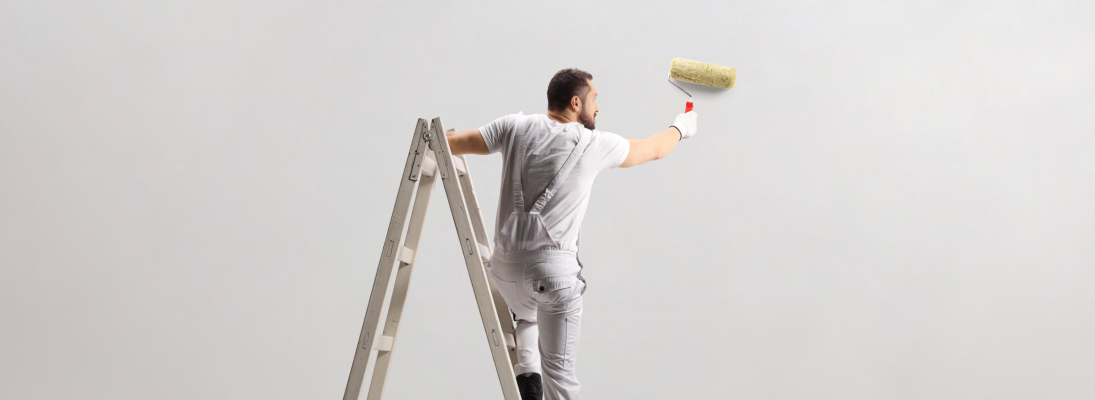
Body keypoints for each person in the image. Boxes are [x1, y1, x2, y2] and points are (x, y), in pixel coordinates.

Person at [444, 68, 698, 400]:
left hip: (506, 271)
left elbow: (451, 144)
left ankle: (527, 372)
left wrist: (435, 135)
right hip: (554, 274)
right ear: (576, 102)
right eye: (594, 100)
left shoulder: (513, 126)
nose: (597, 108)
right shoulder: (594, 143)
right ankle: (536, 376)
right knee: (561, 378)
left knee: (526, 313)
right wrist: (681, 127)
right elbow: (654, 149)